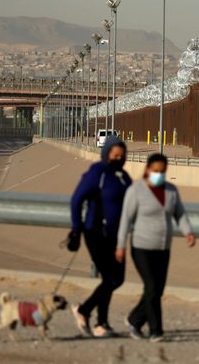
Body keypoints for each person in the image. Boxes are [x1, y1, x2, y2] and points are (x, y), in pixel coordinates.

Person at [116, 153, 195, 343]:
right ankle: (156, 330)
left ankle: (134, 319)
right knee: (151, 286)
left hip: (163, 247)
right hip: (141, 246)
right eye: (155, 171)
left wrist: (188, 232)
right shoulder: (136, 191)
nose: (159, 174)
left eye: (162, 171)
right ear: (147, 170)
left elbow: (180, 214)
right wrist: (120, 246)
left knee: (157, 290)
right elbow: (125, 220)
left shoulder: (171, 191)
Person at [66, 136, 131, 338]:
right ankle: (93, 317)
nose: (118, 158)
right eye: (114, 155)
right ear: (106, 154)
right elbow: (77, 200)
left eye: (122, 155)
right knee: (110, 278)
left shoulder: (124, 177)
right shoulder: (98, 173)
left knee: (116, 279)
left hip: (116, 236)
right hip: (95, 233)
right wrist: (76, 229)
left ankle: (94, 317)